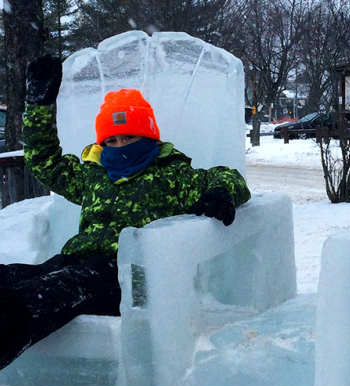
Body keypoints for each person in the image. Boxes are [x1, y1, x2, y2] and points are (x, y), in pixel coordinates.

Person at [0, 54, 250, 370]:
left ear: (147, 136)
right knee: (15, 275)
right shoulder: (92, 175)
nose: (120, 146)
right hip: (77, 263)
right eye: (112, 140)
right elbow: (43, 161)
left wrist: (221, 192)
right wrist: (39, 107)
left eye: (128, 136)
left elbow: (227, 176)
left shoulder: (171, 176)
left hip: (128, 278)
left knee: (59, 288)